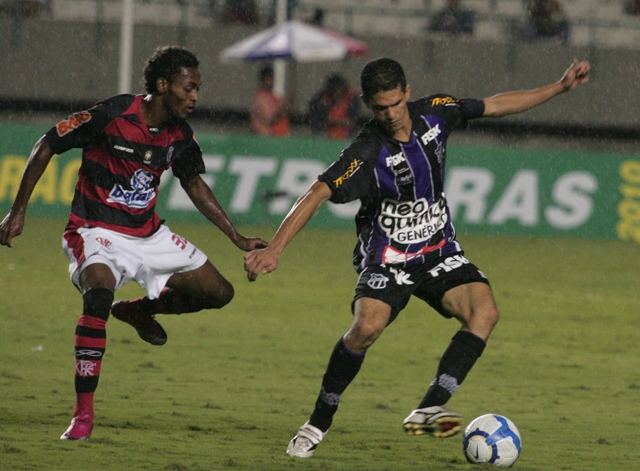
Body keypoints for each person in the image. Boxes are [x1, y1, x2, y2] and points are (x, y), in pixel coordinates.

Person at [244, 56, 590, 458]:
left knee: (485, 312)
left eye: (394, 103)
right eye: (379, 107)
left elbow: (495, 104)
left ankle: (429, 406)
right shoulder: (366, 151)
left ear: (407, 93)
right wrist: (276, 247)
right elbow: (318, 192)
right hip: (388, 257)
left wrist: (559, 87)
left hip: (438, 249)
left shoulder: (437, 112)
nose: (389, 114)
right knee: (367, 328)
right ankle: (317, 423)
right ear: (370, 106)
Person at [0, 45, 267, 441]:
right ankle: (82, 415)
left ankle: (141, 311)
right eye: (188, 87)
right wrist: (17, 210)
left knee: (219, 292)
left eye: (198, 88)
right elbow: (47, 143)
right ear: (163, 85)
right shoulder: (111, 115)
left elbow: (193, 182)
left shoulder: (180, 134)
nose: (195, 96)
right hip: (96, 231)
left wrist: (236, 237)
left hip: (148, 233)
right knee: (97, 296)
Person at [308, 73, 361, 139]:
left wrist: (332, 121)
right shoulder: (322, 96)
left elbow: (352, 121)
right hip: (325, 137)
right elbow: (314, 116)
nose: (336, 93)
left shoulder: (352, 98)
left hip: (346, 137)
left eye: (338, 89)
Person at [249, 66, 290, 137]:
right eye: (268, 78)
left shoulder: (271, 96)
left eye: (272, 78)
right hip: (263, 137)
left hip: (274, 137)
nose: (271, 81)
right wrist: (283, 108)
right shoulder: (260, 98)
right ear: (262, 79)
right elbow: (269, 118)